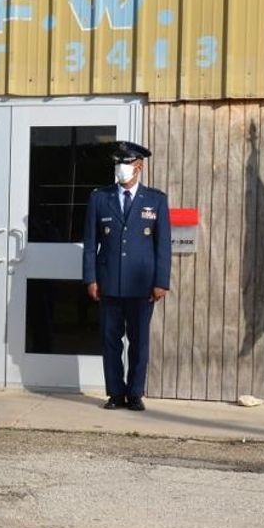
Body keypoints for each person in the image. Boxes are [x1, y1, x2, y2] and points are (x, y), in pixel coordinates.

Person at [82, 140, 171, 412]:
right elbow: (90, 244)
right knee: (110, 342)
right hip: (108, 284)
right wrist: (90, 279)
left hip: (142, 286)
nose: (121, 169)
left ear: (139, 167)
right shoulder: (100, 197)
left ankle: (134, 393)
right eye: (118, 164)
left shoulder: (156, 200)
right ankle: (115, 394)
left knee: (139, 343)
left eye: (126, 164)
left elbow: (162, 246)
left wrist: (161, 281)